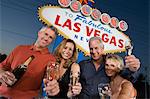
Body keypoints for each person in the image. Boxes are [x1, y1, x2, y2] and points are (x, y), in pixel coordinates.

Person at [0, 25, 59, 99]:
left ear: (52, 41)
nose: (47, 38)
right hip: (3, 94)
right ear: (39, 33)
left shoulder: (51, 59)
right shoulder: (19, 48)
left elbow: (49, 80)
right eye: (46, 34)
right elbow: (3, 66)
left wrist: (52, 87)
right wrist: (1, 73)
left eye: (51, 37)